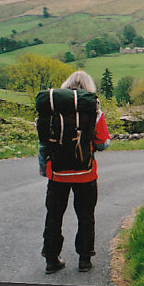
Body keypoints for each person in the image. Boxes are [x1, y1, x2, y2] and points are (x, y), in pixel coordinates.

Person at [38, 70, 111, 274]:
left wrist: (45, 170)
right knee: (86, 215)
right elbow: (103, 143)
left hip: (58, 174)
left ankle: (51, 260)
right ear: (89, 88)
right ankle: (85, 260)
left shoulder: (51, 110)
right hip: (85, 173)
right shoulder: (94, 110)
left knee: (54, 215)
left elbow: (43, 143)